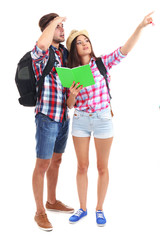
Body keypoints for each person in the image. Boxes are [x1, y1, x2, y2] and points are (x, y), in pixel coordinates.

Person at [66, 12, 154, 226]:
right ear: (74, 49)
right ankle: (82, 208)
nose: (85, 44)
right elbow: (69, 106)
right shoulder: (69, 72)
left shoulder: (101, 63)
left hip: (103, 118)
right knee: (82, 166)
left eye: (87, 40)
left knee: (102, 167)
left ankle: (99, 209)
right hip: (80, 120)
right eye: (79, 42)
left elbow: (125, 49)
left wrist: (140, 26)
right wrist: (73, 94)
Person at [31, 13, 74, 231]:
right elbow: (40, 44)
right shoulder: (42, 52)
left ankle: (52, 200)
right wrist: (53, 22)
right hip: (47, 117)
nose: (62, 30)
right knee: (42, 165)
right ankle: (40, 212)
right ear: (48, 29)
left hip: (63, 116)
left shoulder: (64, 54)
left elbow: (67, 88)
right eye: (58, 27)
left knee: (56, 161)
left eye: (62, 26)